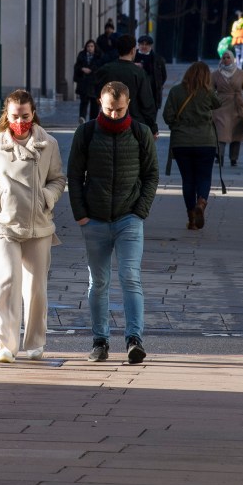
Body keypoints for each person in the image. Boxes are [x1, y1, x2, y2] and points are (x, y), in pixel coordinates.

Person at [67, 81, 159, 365]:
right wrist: (80, 213)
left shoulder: (140, 133)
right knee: (99, 282)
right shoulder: (86, 132)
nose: (115, 114)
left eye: (119, 109)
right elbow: (74, 174)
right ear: (100, 103)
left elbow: (151, 175)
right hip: (94, 219)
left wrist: (140, 210)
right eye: (109, 109)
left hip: (129, 218)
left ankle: (134, 339)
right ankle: (100, 341)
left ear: (128, 104)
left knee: (130, 277)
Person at [0, 90, 66, 364]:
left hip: (38, 224)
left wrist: (47, 198)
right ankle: (6, 344)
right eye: (14, 116)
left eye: (25, 116)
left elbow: (58, 179)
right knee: (6, 282)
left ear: (33, 113)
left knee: (36, 286)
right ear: (7, 115)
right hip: (4, 224)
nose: (20, 121)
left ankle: (35, 341)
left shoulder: (49, 144)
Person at [163, 62, 221, 231]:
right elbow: (218, 103)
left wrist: (178, 125)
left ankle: (192, 219)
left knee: (188, 180)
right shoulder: (208, 92)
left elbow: (167, 116)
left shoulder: (175, 91)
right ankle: (201, 203)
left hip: (182, 142)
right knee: (204, 177)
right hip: (205, 141)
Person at [94, 34, 158, 136]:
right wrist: (153, 128)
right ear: (133, 50)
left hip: (108, 122)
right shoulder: (139, 73)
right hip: (134, 124)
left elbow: (97, 95)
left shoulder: (105, 70)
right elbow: (147, 103)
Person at [212, 50, 243, 167]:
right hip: (221, 106)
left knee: (236, 133)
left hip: (237, 106)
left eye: (228, 57)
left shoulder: (241, 74)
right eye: (224, 57)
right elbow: (209, 90)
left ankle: (234, 158)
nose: (226, 59)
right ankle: (219, 156)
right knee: (221, 133)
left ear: (233, 59)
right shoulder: (215, 74)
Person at [135, 34, 168, 112]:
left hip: (152, 94)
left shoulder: (158, 59)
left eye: (147, 44)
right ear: (138, 45)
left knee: (151, 118)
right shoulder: (132, 57)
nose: (144, 46)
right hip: (136, 93)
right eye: (142, 44)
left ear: (151, 46)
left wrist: (158, 85)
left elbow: (163, 75)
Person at [73, 39, 101, 124]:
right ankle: (82, 118)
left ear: (94, 47)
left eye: (92, 46)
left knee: (94, 104)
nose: (90, 48)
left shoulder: (98, 56)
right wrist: (82, 69)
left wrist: (91, 70)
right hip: (84, 83)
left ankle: (93, 121)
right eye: (88, 46)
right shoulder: (82, 55)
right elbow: (77, 66)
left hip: (94, 84)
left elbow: (101, 68)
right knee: (84, 102)